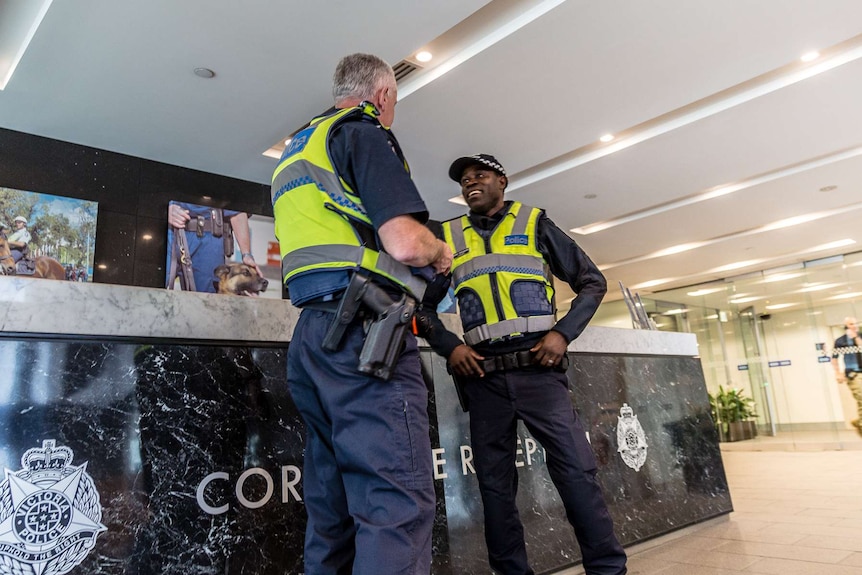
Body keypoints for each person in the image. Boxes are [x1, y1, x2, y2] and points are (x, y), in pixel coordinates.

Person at [270, 53, 452, 574]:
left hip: (313, 337)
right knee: (395, 504)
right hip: (364, 339)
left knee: (331, 511)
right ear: (383, 94)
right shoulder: (362, 131)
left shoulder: (296, 149)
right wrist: (439, 251)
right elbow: (404, 242)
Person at [419, 154, 627, 575]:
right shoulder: (447, 237)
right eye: (464, 180)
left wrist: (562, 333)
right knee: (495, 491)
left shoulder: (534, 224)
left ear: (502, 180)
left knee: (576, 473)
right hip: (483, 378)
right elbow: (419, 309)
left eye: (480, 175)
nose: (470, 183)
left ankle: (608, 570)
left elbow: (592, 282)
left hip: (539, 370)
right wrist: (449, 346)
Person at [166, 202, 262, 292]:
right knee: (153, 291)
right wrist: (163, 208)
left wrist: (247, 254)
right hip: (168, 230)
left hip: (209, 240)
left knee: (208, 302)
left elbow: (237, 210)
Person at [831, 316, 862, 436]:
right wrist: (837, 373)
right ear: (846, 326)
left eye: (855, 323)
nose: (854, 326)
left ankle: (858, 422)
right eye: (851, 324)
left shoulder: (860, 337)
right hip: (853, 374)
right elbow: (834, 358)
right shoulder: (840, 341)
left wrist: (856, 338)